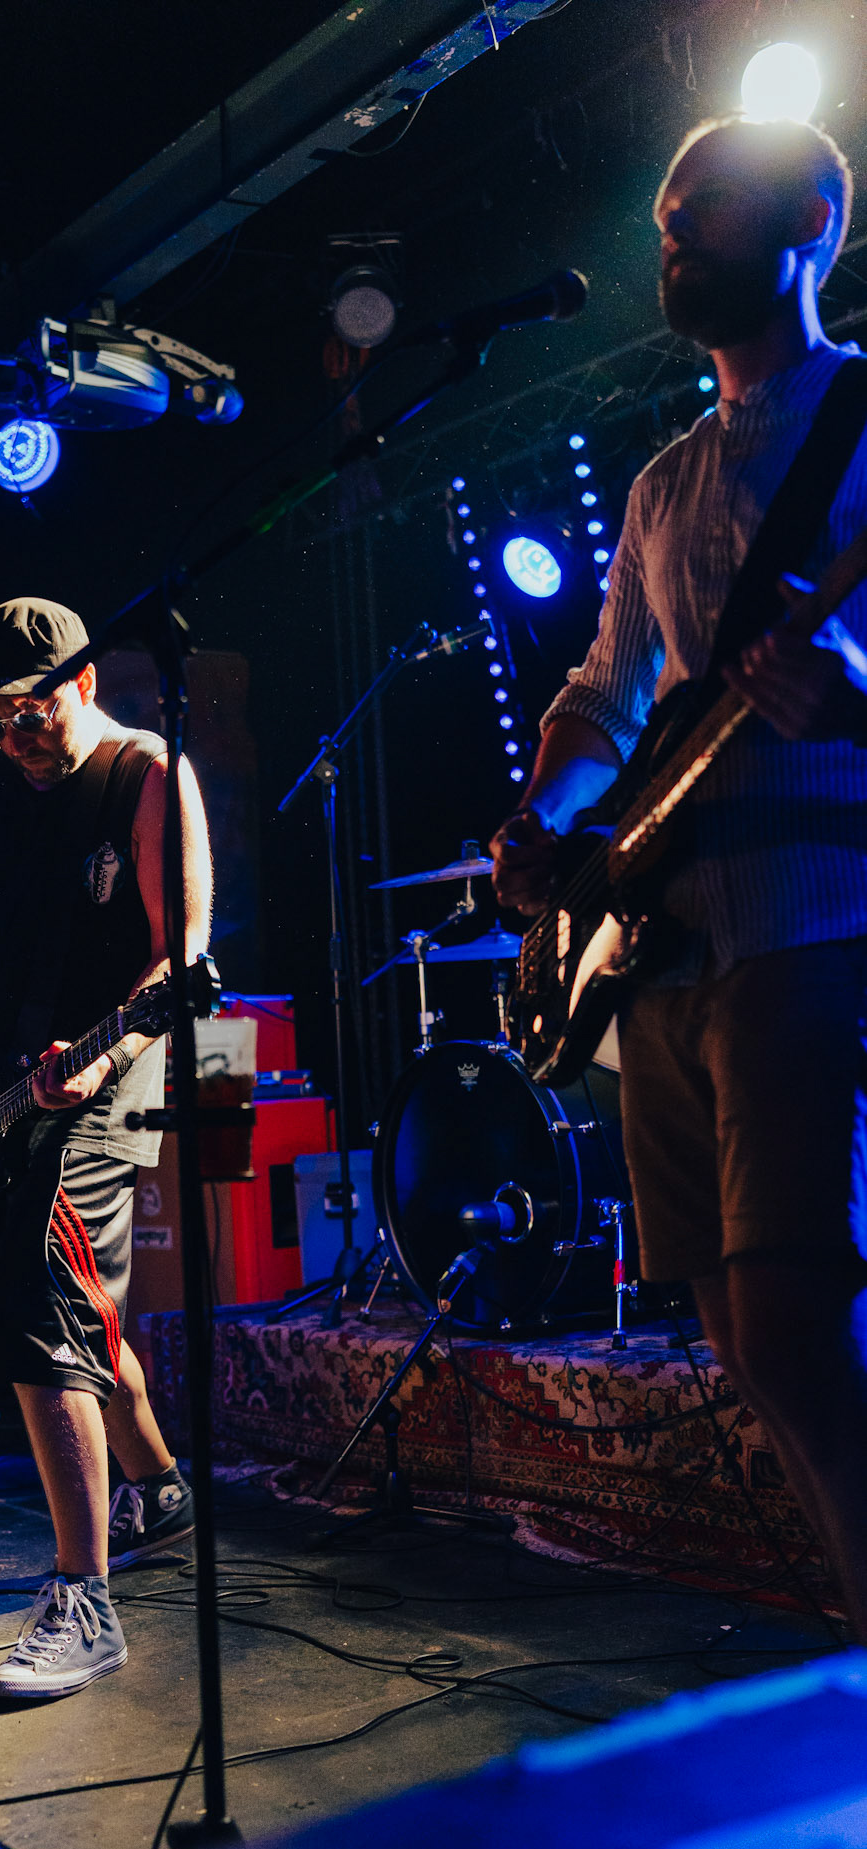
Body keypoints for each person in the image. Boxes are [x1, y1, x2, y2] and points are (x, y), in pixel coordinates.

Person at [491, 116, 867, 1636]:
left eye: (704, 211)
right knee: (736, 1329)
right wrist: (542, 816)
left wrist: (853, 697)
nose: (672, 240)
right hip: (661, 945)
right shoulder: (659, 485)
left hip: (814, 916)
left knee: (791, 1319)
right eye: (663, 219)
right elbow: (604, 690)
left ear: (813, 222)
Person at [0, 598, 209, 1700]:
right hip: (0, 1078)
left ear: (83, 682)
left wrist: (103, 1054)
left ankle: (83, 1598)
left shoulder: (147, 774)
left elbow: (183, 956)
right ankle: (159, 1488)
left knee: (40, 1301)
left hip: (105, 1064)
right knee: (68, 1299)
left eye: (32, 711)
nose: (16, 736)